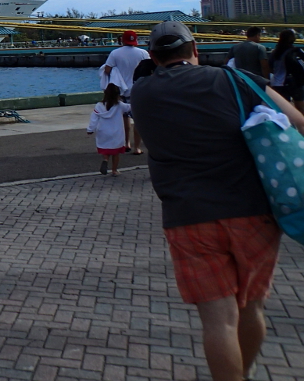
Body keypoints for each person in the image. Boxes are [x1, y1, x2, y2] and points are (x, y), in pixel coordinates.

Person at [130, 21, 304, 381]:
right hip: (253, 212)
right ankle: (246, 370)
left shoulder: (142, 94)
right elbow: (298, 121)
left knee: (218, 321)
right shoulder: (234, 80)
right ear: (195, 50)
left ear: (152, 55)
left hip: (188, 217)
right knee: (252, 308)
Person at [103, 30, 149, 154]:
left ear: (122, 40)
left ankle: (126, 143)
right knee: (138, 120)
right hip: (138, 90)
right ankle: (137, 148)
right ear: (135, 40)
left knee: (124, 119)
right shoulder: (143, 53)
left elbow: (107, 70)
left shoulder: (115, 53)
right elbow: (150, 70)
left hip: (121, 91)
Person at [86, 83, 129, 176]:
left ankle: (105, 159)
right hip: (116, 133)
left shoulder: (99, 106)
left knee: (106, 149)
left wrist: (90, 129)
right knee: (116, 152)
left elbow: (93, 119)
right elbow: (129, 108)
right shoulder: (120, 105)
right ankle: (114, 170)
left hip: (103, 132)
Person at [269, 29, 304, 113]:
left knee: (284, 110)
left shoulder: (275, 52)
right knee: (300, 108)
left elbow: (270, 66)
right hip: (294, 82)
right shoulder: (296, 51)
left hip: (277, 83)